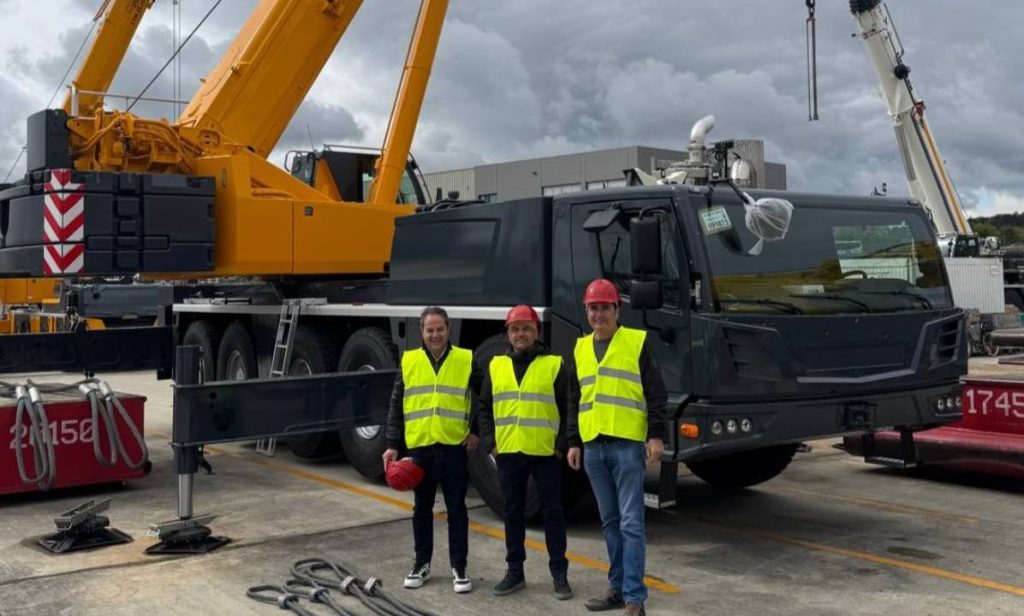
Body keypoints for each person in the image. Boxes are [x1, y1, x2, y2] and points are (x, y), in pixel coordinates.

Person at [566, 279, 668, 616]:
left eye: (604, 307)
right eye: (593, 308)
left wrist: (655, 435)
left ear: (616, 310)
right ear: (587, 311)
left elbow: (656, 393)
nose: (598, 314)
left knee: (631, 523)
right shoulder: (580, 348)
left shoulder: (634, 343)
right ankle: (617, 588)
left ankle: (635, 598)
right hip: (593, 447)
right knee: (609, 522)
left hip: (626, 447)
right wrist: (573, 442)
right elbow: (574, 399)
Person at [476, 304, 573, 600]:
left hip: (545, 454)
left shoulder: (554, 365)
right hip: (508, 453)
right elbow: (483, 406)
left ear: (536, 331)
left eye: (526, 328)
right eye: (515, 329)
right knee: (512, 513)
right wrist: (491, 443)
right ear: (508, 333)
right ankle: (515, 571)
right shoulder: (496, 366)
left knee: (553, 514)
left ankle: (559, 573)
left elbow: (569, 408)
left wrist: (559, 447)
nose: (521, 334)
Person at [383, 306, 481, 594]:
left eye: (440, 329)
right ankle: (421, 564)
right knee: (421, 509)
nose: (435, 334)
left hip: (452, 448)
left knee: (457, 510)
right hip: (421, 449)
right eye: (429, 330)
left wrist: (475, 430)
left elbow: (483, 395)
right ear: (421, 332)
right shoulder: (409, 361)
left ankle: (459, 568)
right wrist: (391, 445)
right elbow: (395, 404)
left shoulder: (465, 359)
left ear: (449, 329)